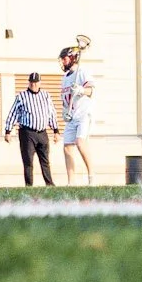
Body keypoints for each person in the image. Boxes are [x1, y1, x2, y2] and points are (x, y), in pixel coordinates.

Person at [5, 71, 59, 185]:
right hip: (27, 132)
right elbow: (13, 113)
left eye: (35, 82)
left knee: (45, 160)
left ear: (40, 83)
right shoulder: (21, 96)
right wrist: (8, 131)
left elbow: (51, 113)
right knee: (28, 161)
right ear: (29, 83)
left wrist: (56, 130)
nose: (33, 85)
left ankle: (49, 184)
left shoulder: (46, 95)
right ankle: (29, 185)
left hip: (42, 132)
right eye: (31, 83)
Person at [59, 43, 95, 185]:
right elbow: (65, 99)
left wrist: (81, 90)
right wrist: (64, 111)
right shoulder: (65, 78)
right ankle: (71, 181)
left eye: (64, 58)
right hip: (71, 116)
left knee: (80, 143)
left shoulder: (82, 72)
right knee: (67, 147)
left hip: (83, 114)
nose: (62, 61)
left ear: (73, 58)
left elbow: (91, 91)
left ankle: (91, 176)